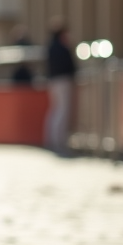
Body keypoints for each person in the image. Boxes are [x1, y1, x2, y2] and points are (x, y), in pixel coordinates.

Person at [44, 18, 77, 152]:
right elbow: (69, 63)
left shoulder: (50, 46)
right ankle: (58, 140)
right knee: (62, 110)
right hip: (62, 80)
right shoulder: (62, 46)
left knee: (55, 109)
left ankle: (52, 138)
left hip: (53, 81)